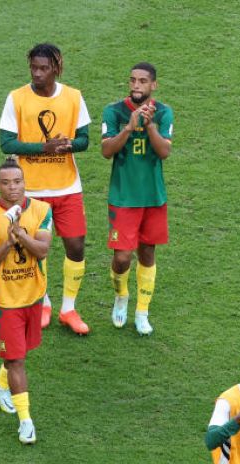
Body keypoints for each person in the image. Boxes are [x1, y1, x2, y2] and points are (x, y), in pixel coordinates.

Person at [0, 43, 92, 334]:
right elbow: (6, 143)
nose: (37, 74)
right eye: (33, 68)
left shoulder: (74, 97)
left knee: (75, 246)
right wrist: (43, 147)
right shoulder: (16, 98)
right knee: (38, 250)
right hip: (31, 191)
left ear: (57, 68)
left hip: (67, 187)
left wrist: (66, 145)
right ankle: (45, 303)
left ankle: (69, 309)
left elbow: (85, 139)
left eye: (43, 68)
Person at [0, 158, 53, 444]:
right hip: (6, 301)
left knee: (19, 352)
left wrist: (21, 235)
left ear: (24, 182)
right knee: (17, 359)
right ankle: (26, 422)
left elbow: (43, 250)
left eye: (17, 182)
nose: (12, 188)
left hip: (33, 296)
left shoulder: (42, 210)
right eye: (6, 183)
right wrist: (8, 244)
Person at [101, 61, 173, 336]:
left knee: (147, 252)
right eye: (132, 80)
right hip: (123, 197)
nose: (136, 85)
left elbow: (164, 152)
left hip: (153, 198)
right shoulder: (114, 111)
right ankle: (121, 295)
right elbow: (106, 151)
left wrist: (150, 125)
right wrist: (129, 128)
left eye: (142, 81)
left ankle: (142, 311)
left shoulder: (164, 112)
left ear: (153, 85)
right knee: (121, 258)